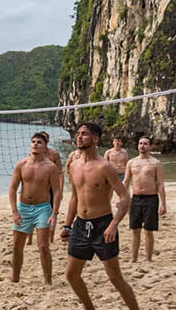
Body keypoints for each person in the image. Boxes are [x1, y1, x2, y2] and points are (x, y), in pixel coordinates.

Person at [60, 122, 139, 310]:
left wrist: (114, 224)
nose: (79, 137)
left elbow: (125, 197)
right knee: (71, 275)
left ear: (95, 139)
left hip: (103, 225)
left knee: (114, 277)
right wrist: (67, 225)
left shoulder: (105, 167)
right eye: (78, 133)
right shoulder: (74, 166)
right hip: (80, 226)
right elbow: (74, 198)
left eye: (85, 134)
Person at [9, 133, 61, 284]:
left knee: (43, 246)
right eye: (33, 141)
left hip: (43, 208)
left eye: (39, 142)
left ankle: (48, 280)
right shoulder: (21, 164)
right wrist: (14, 211)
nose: (35, 144)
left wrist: (54, 213)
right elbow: (12, 188)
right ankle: (15, 278)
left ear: (45, 147)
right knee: (17, 246)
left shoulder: (50, 167)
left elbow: (57, 191)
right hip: (23, 207)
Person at [122, 136, 167, 262]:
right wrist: (122, 198)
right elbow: (125, 181)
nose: (142, 146)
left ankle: (148, 259)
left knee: (148, 230)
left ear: (150, 146)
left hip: (151, 199)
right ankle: (133, 259)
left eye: (145, 144)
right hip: (135, 199)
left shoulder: (156, 163)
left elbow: (160, 184)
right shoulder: (131, 162)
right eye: (140, 143)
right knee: (135, 230)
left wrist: (163, 204)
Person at [26, 131, 63, 245]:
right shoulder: (33, 154)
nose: (38, 143)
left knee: (52, 212)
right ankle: (30, 238)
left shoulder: (54, 154)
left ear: (47, 142)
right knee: (31, 212)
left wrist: (60, 190)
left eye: (43, 140)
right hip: (37, 188)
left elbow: (60, 173)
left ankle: (50, 237)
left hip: (51, 188)